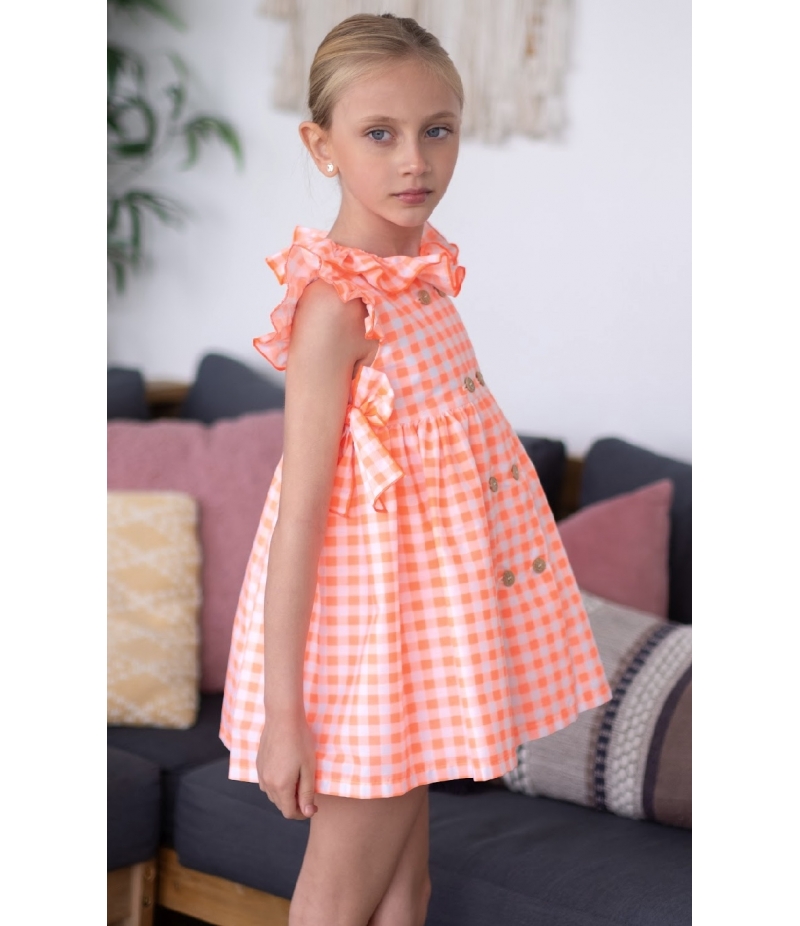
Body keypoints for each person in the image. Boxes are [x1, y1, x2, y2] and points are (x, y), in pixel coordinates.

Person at [221, 12, 612, 926]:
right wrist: (285, 716)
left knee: (407, 893)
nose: (415, 161)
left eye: (437, 130)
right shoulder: (337, 307)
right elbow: (299, 518)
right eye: (379, 134)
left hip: (423, 638)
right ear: (321, 147)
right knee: (339, 898)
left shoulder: (423, 283)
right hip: (367, 650)